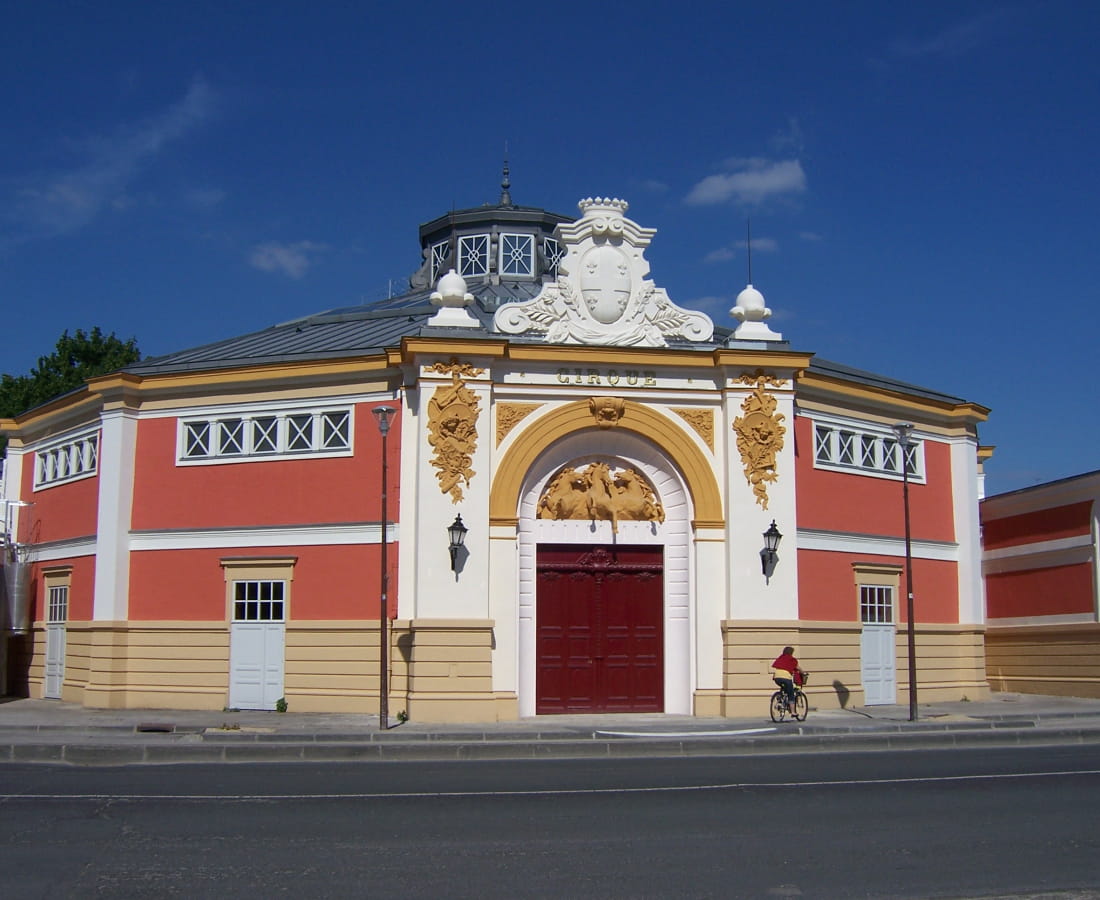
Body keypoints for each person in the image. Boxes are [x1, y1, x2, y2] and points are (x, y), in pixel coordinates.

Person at [771, 646, 805, 713]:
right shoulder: (792, 659)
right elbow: (798, 668)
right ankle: (793, 712)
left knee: (784, 687)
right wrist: (803, 673)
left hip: (776, 678)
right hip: (786, 678)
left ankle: (780, 697)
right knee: (791, 693)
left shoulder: (781, 657)